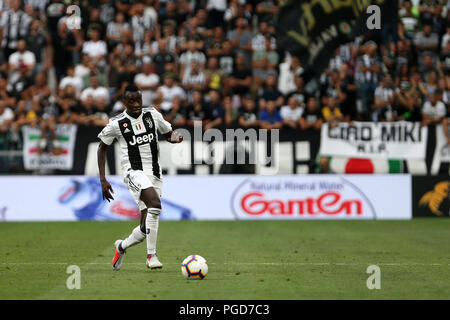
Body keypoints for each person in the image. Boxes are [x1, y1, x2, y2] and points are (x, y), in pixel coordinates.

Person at [97, 84, 183, 271]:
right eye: (131, 101)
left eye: (138, 100)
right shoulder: (116, 123)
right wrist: (103, 180)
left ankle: (121, 246)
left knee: (145, 228)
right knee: (155, 204)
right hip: (133, 172)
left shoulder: (153, 114)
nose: (136, 104)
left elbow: (168, 134)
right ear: (124, 102)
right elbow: (102, 148)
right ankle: (151, 256)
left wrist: (175, 137)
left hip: (155, 173)